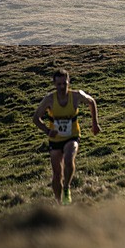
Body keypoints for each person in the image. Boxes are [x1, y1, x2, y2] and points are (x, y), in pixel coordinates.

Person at [33, 69, 100, 205]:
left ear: (69, 82)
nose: (62, 87)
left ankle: (67, 188)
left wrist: (95, 124)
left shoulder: (75, 96)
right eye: (59, 84)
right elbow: (36, 118)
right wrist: (47, 131)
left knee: (69, 159)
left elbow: (91, 101)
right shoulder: (49, 99)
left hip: (72, 136)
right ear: (54, 84)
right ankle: (59, 203)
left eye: (65, 83)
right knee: (57, 174)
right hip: (55, 140)